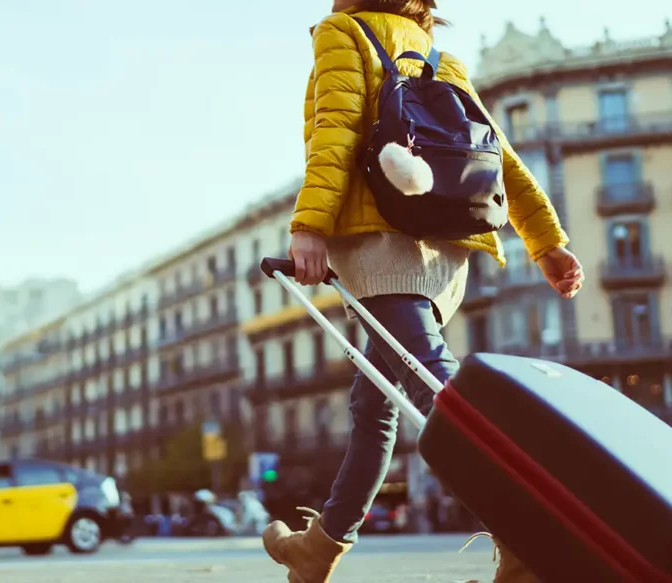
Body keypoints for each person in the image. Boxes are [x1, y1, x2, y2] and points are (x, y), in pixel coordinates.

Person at [260, 1, 585, 583]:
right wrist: (547, 241)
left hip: (384, 245)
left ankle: (536, 538)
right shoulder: (440, 58)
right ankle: (320, 549)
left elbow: (334, 132)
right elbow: (501, 159)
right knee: (374, 406)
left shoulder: (344, 33)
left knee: (442, 390)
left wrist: (308, 226)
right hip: (447, 250)